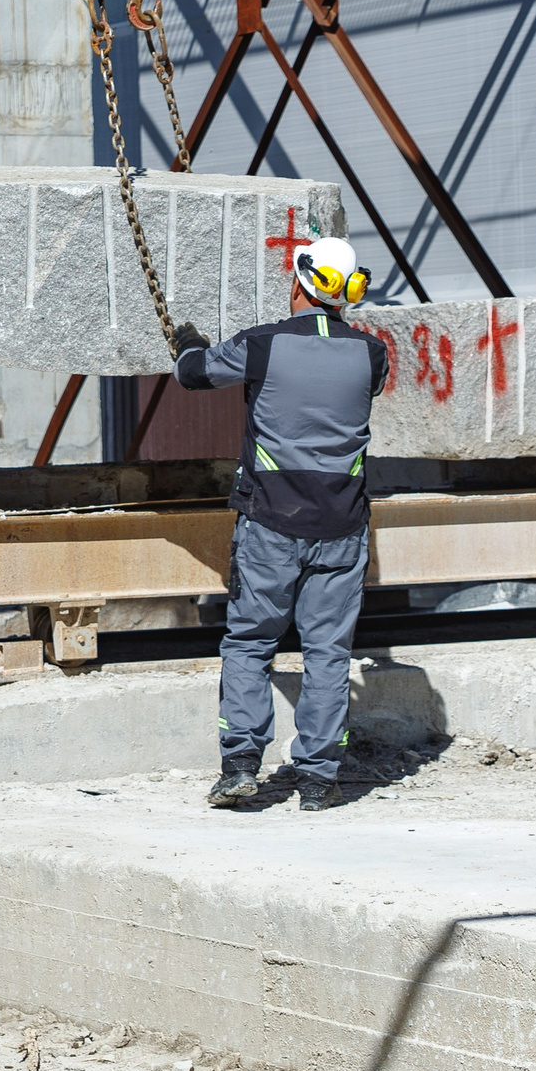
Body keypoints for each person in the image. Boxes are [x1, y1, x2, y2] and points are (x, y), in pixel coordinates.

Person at [171, 235, 389, 812]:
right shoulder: (372, 354)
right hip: (341, 524)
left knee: (250, 642)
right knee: (328, 651)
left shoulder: (262, 345)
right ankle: (317, 781)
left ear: (297, 282)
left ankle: (241, 765)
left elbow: (193, 374)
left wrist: (188, 342)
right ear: (347, 292)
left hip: (270, 521)